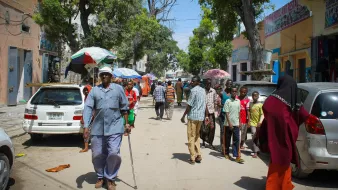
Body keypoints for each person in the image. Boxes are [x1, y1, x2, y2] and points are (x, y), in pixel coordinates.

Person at [83, 67, 130, 190]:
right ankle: (100, 176)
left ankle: (110, 178)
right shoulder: (94, 91)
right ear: (100, 76)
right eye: (102, 75)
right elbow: (88, 108)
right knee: (97, 154)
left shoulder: (118, 89)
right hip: (98, 128)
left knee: (114, 152)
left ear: (111, 76)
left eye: (107, 74)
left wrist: (127, 124)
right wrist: (86, 126)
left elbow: (124, 107)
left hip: (115, 127)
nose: (104, 77)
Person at [258, 75, 309, 190]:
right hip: (288, 135)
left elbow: (267, 108)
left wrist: (273, 122)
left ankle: (274, 186)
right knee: (285, 159)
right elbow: (304, 115)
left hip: (275, 135)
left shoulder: (273, 98)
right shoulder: (294, 99)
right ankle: (282, 186)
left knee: (277, 158)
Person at [181, 76, 206, 165]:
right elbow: (204, 104)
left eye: (194, 81)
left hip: (193, 117)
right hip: (200, 117)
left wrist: (183, 116)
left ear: (198, 82)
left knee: (191, 137)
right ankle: (198, 154)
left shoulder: (193, 91)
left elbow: (189, 105)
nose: (192, 82)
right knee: (196, 136)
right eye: (192, 81)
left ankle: (192, 157)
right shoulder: (203, 91)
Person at [223, 86, 244, 164]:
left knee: (236, 140)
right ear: (231, 92)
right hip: (228, 124)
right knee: (227, 140)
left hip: (236, 124)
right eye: (233, 91)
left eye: (235, 91)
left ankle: (237, 156)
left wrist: (240, 122)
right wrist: (229, 123)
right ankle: (227, 153)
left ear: (236, 92)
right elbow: (227, 113)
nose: (234, 92)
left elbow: (239, 113)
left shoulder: (238, 101)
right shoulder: (227, 101)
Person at [200, 79, 217, 149]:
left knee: (212, 128)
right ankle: (203, 142)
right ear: (205, 84)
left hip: (211, 112)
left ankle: (210, 143)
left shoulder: (213, 91)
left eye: (210, 84)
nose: (208, 85)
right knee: (204, 128)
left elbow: (215, 100)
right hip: (204, 113)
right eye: (207, 84)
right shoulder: (202, 91)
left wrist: (215, 109)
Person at [247, 91, 264, 158]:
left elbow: (262, 114)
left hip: (258, 123)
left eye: (256, 96)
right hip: (252, 123)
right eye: (253, 96)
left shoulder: (260, 105)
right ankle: (255, 152)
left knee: (257, 137)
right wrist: (248, 121)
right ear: (252, 96)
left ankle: (257, 149)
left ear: (258, 96)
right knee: (254, 135)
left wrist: (260, 122)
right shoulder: (250, 104)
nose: (255, 97)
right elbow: (249, 112)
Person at [219, 79, 233, 152]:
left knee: (229, 132)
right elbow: (218, 104)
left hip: (231, 116)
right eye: (228, 84)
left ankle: (227, 146)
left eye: (231, 84)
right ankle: (222, 146)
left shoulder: (233, 94)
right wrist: (223, 106)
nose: (229, 85)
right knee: (222, 131)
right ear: (226, 85)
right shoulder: (221, 93)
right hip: (223, 115)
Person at [80, 85, 92, 153]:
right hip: (87, 118)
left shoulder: (93, 98)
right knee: (85, 133)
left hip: (93, 118)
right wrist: (82, 117)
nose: (86, 91)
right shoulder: (85, 98)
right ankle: (86, 147)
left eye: (87, 90)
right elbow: (85, 109)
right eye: (85, 90)